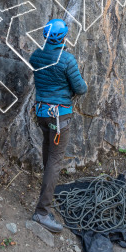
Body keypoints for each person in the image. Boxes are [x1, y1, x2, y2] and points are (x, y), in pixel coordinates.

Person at [29, 18, 87, 233]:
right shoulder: (67, 60)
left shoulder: (36, 56)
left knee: (48, 151)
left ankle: (47, 188)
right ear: (63, 37)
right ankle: (42, 212)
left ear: (45, 35)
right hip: (59, 117)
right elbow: (80, 89)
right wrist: (85, 85)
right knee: (55, 160)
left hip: (42, 113)